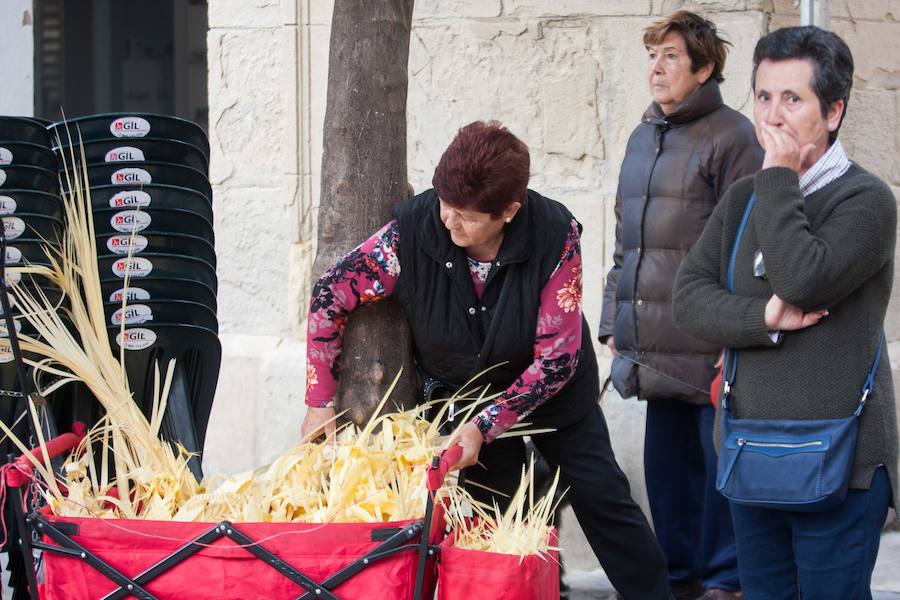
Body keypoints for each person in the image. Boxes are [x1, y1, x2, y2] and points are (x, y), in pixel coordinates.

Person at [301, 121, 672, 599]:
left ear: (509, 212)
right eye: (445, 206)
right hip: (463, 399)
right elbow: (330, 294)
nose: (449, 222)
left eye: (467, 216)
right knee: (494, 522)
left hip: (552, 394)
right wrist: (319, 400)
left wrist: (488, 424)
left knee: (602, 496)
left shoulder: (555, 237)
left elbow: (556, 360)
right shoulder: (410, 235)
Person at [672, 26, 898, 599]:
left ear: (835, 110)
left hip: (840, 465)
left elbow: (802, 277)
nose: (772, 116)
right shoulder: (744, 199)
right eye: (764, 96)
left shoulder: (866, 201)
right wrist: (764, 319)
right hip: (753, 457)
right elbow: (689, 300)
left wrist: (777, 176)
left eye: (792, 99)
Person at [598, 11, 762, 600]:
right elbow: (625, 241)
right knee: (666, 471)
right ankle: (676, 577)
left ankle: (724, 582)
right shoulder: (645, 136)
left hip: (707, 335)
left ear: (705, 67)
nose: (657, 68)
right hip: (653, 341)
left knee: (718, 467)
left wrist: (733, 332)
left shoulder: (734, 136)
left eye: (671, 56)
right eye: (653, 55)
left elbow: (746, 243)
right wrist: (613, 319)